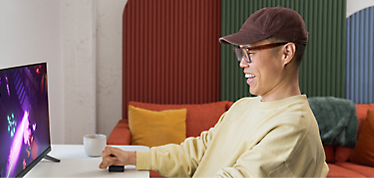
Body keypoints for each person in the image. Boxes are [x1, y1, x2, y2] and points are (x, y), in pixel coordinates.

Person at [99, 6, 329, 177]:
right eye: (240, 53)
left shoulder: (293, 127)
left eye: (250, 52)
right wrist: (133, 157)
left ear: (286, 53)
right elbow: (197, 152)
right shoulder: (243, 106)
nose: (242, 63)